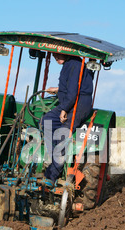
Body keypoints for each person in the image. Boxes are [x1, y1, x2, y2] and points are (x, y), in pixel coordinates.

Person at [41, 52, 94, 186]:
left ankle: (51, 175)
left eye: (58, 54)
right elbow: (72, 86)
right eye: (53, 55)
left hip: (79, 104)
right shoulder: (69, 64)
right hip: (69, 100)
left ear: (66, 53)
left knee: (62, 134)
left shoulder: (75, 64)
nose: (55, 57)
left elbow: (74, 91)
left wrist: (64, 109)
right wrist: (58, 90)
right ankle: (55, 156)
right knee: (45, 121)